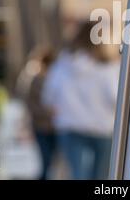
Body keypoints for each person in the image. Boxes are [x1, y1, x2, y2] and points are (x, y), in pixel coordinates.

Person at [43, 22, 119, 180]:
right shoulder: (108, 68)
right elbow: (116, 98)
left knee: (78, 174)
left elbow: (48, 99)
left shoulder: (61, 66)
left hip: (70, 127)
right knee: (101, 176)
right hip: (103, 128)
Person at [16, 47, 57, 180]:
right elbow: (30, 103)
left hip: (54, 126)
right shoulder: (33, 79)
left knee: (52, 161)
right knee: (45, 160)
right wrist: (48, 113)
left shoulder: (53, 78)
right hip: (40, 125)